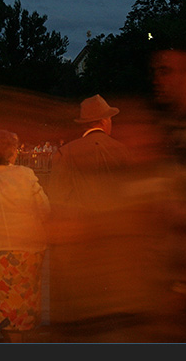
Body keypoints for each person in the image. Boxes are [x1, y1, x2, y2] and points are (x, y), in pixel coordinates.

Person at [47, 94, 141, 341]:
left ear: (84, 124)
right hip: (116, 251)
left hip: (80, 253)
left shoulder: (65, 154)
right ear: (104, 121)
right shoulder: (124, 152)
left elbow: (57, 204)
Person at [0, 129, 51, 342]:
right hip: (27, 252)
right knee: (23, 309)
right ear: (9, 153)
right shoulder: (24, 175)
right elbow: (44, 209)